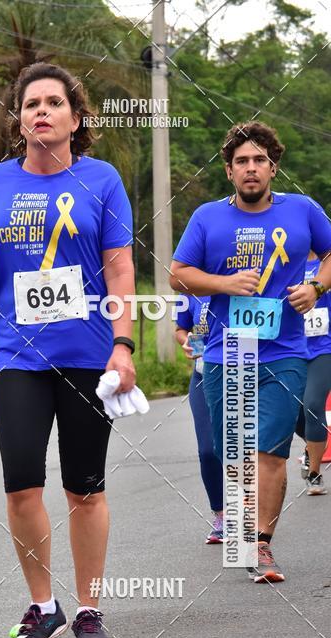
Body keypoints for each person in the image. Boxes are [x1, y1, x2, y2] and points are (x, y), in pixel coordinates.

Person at [0, 62, 136, 638]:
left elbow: (119, 267)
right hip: (16, 356)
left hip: (87, 354)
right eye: (31, 103)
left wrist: (123, 342)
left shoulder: (103, 180)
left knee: (85, 488)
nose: (41, 110)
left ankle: (89, 608)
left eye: (53, 103)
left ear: (75, 117)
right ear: (20, 120)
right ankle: (43, 606)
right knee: (20, 485)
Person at [170, 121, 331, 583]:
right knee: (235, 453)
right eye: (242, 161)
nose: (251, 168)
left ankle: (260, 543)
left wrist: (316, 287)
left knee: (271, 451)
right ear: (229, 171)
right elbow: (178, 275)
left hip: (285, 351)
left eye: (259, 160)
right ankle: (241, 530)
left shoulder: (302, 210)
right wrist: (222, 283)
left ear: (273, 168)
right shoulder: (206, 218)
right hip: (227, 352)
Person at [175, 295, 224, 542]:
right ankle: (222, 514)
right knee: (208, 449)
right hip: (203, 375)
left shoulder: (239, 276)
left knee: (246, 448)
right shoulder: (189, 288)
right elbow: (181, 329)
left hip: (243, 371)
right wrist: (187, 343)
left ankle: (251, 514)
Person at [295, 250, 331, 495]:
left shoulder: (326, 264)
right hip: (291, 348)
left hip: (324, 348)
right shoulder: (285, 262)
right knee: (293, 414)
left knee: (313, 405)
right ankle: (311, 446)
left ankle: (315, 474)